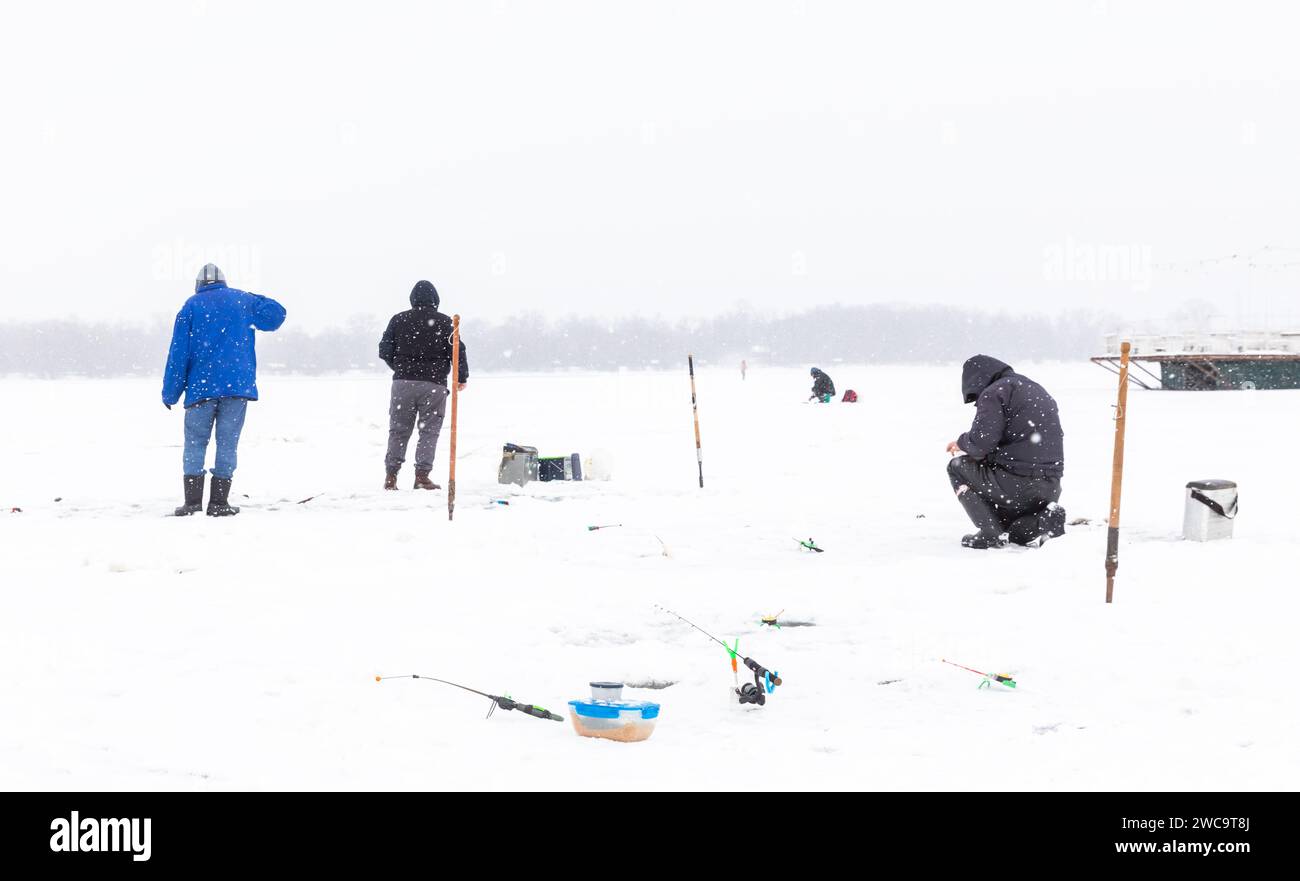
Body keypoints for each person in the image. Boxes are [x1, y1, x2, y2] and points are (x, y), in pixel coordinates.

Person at [162, 264, 287, 516]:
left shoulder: (191, 306)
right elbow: (276, 315)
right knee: (227, 443)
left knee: (195, 443)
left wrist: (170, 392)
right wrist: (248, 297)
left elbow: (178, 353)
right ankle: (219, 503)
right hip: (236, 388)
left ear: (198, 284)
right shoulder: (242, 301)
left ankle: (192, 503)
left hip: (201, 389)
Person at [945, 355, 1066, 549]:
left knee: (957, 467)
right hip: (1050, 486)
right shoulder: (1035, 388)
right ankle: (1044, 519)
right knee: (1015, 533)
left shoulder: (995, 392)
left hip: (1018, 484)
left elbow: (981, 443)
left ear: (976, 379)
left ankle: (990, 534)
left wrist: (961, 443)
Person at [378, 280, 468, 490]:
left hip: (402, 385)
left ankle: (391, 476)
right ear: (435, 300)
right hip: (433, 386)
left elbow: (384, 350)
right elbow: (458, 352)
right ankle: (422, 476)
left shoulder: (398, 320)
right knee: (429, 432)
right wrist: (461, 377)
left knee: (398, 431)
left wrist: (401, 368)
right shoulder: (446, 323)